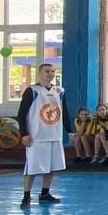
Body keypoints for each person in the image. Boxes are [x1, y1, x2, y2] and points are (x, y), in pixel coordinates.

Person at [17, 62, 72, 207]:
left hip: (54, 134)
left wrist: (70, 130)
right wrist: (24, 133)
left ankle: (45, 193)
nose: (50, 74)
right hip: (36, 136)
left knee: (52, 166)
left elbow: (64, 112)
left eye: (52, 71)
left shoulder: (59, 91)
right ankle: (26, 196)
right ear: (40, 73)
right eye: (47, 71)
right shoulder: (32, 91)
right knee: (32, 167)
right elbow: (21, 114)